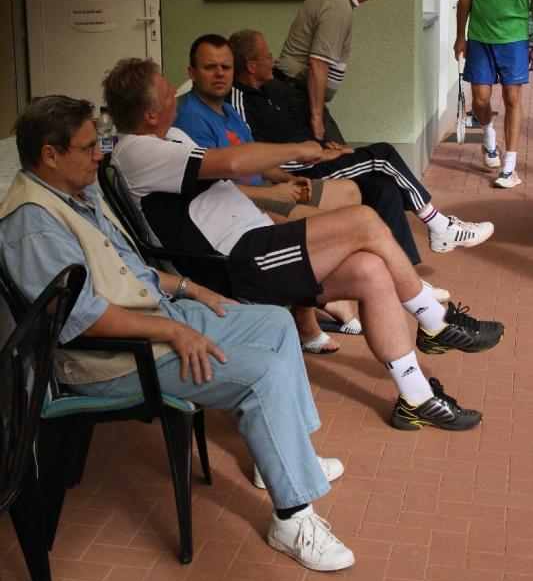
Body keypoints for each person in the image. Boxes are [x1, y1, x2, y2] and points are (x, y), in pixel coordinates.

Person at [0, 95, 356, 573]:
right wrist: (172, 329)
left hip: (155, 316)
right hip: (113, 359)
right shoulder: (33, 223)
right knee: (261, 373)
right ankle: (291, 520)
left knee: (274, 321)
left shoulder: (74, 193)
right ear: (49, 154)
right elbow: (82, 319)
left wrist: (193, 289)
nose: (99, 155)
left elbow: (128, 271)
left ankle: (288, 457)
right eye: (88, 147)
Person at [102, 53, 504, 434]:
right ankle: (434, 321)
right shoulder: (138, 151)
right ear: (149, 114)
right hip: (236, 265)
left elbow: (222, 192)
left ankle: (416, 399)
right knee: (364, 220)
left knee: (370, 271)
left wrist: (277, 211)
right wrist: (299, 149)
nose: (176, 94)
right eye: (167, 92)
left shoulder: (170, 136)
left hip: (259, 242)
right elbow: (234, 163)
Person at [178, 32, 494, 264]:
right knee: (383, 155)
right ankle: (438, 225)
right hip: (293, 172)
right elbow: (249, 158)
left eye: (225, 67)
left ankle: (404, 269)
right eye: (211, 67)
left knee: (382, 185)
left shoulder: (263, 94)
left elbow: (272, 141)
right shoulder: (229, 103)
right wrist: (296, 166)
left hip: (299, 166)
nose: (272, 60)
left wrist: (321, 147)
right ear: (250, 65)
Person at [274, 0, 395, 143]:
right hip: (295, 92)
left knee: (330, 155)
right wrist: (317, 118)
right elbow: (318, 63)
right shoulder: (338, 4)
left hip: (296, 89)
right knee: (338, 155)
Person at [454, 0, 533, 188]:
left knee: (512, 98)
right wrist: (460, 36)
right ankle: (489, 138)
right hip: (480, 36)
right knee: (480, 100)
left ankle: (509, 167)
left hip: (514, 37)